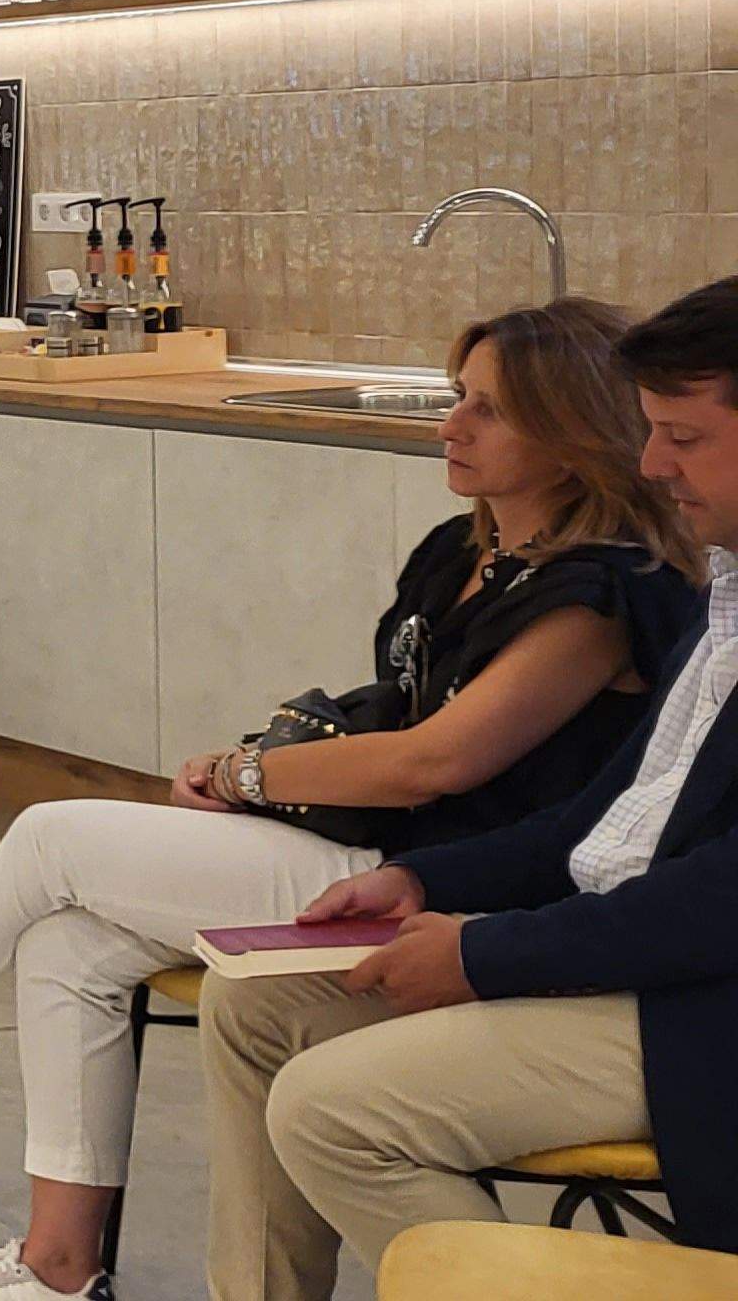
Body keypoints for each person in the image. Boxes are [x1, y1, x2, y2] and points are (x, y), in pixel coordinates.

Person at [0, 297, 704, 1301]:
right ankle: (57, 1267)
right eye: (456, 396)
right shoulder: (461, 552)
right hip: (389, 847)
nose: (452, 425)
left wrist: (244, 776)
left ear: (573, 434)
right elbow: (391, 715)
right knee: (69, 945)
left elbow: (431, 764)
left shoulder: (601, 593)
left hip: (444, 874)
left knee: (49, 840)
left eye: (489, 409)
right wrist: (260, 770)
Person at [204, 273, 738, 1295]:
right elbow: (608, 818)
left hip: (696, 1005)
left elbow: (720, 898)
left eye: (683, 436)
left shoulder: (610, 589)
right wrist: (424, 881)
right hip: (619, 951)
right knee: (256, 1005)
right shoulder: (723, 599)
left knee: (332, 1111)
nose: (651, 463)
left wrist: (487, 953)